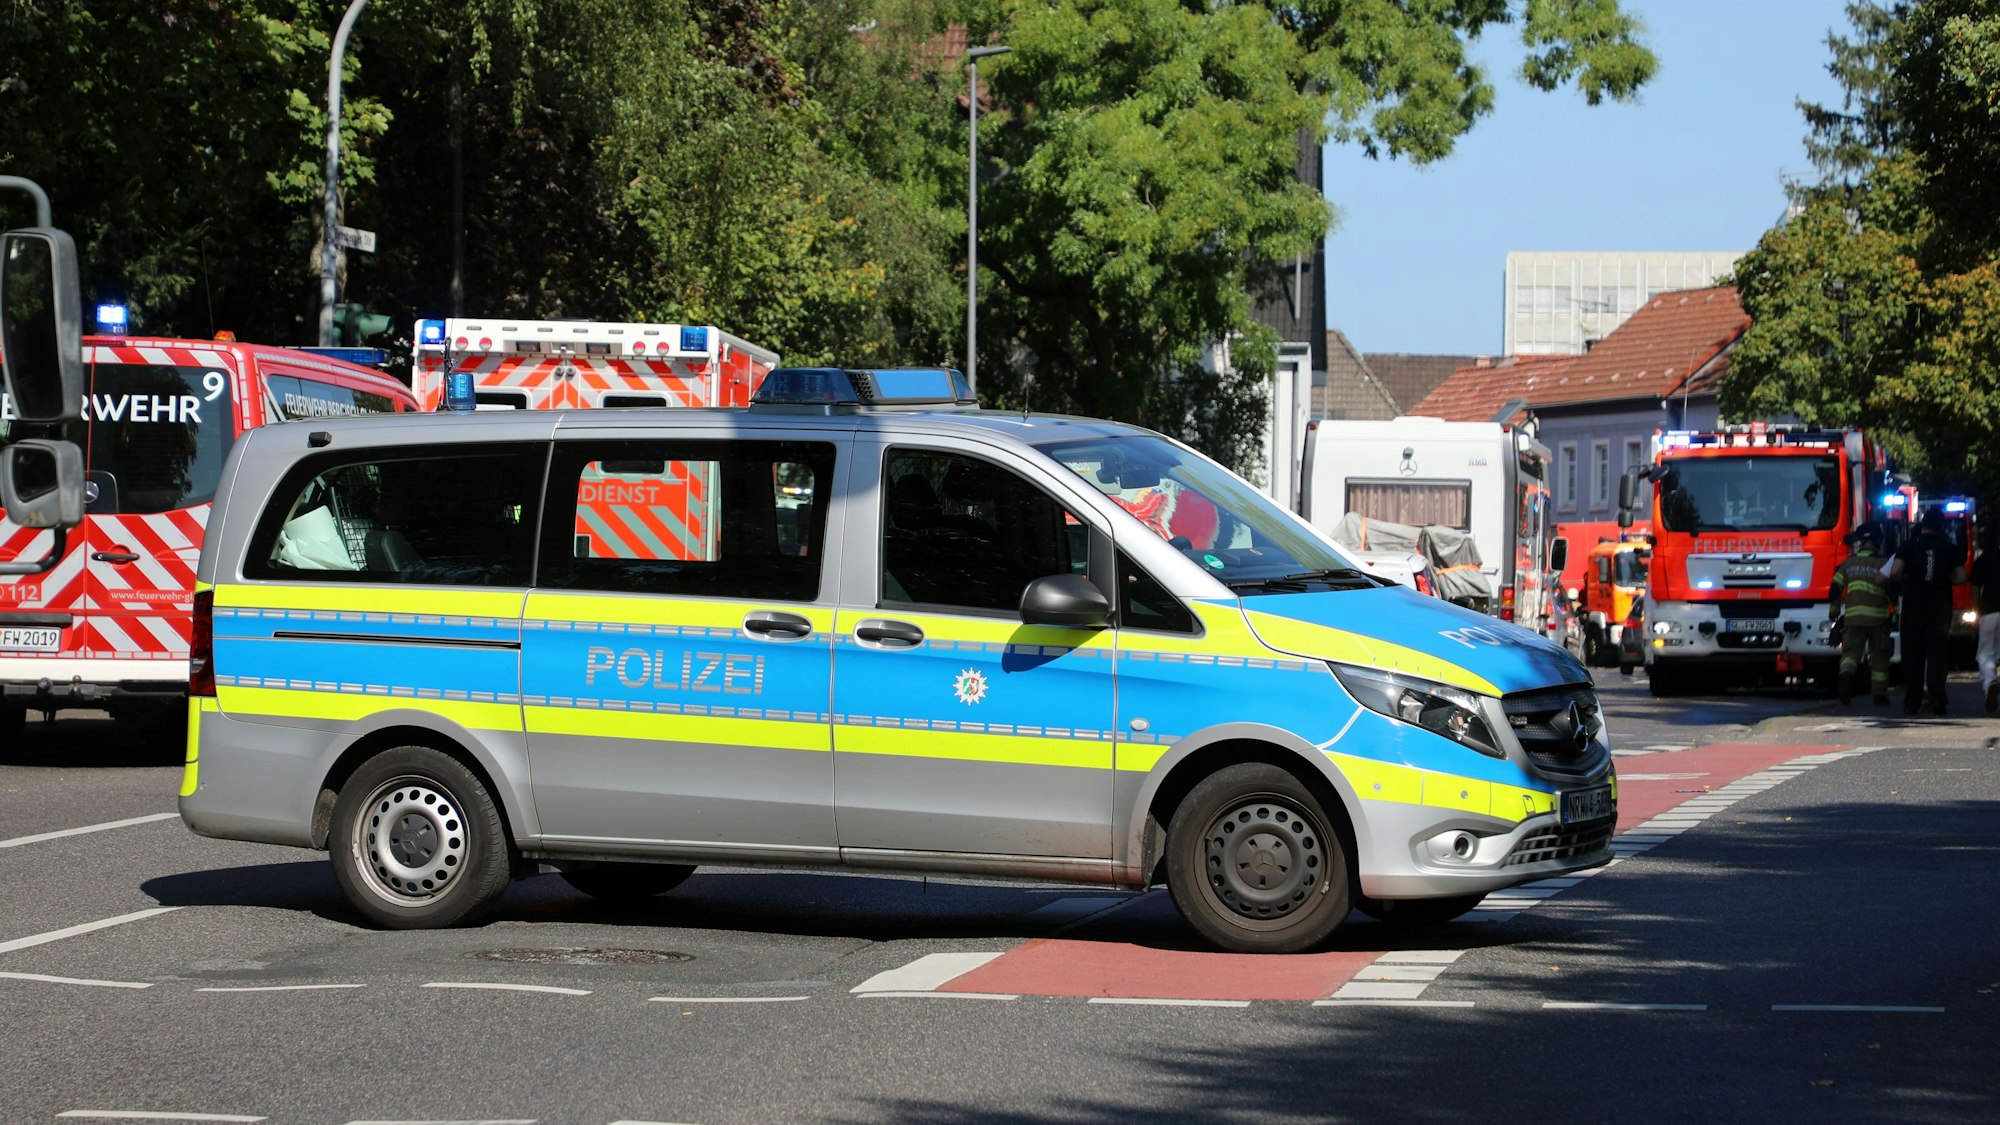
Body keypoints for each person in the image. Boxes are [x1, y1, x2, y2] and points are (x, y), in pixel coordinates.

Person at [1888, 507, 1968, 715]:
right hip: (1940, 608)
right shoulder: (1949, 548)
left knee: (1913, 657)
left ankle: (1911, 702)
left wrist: (1908, 582)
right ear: (1941, 526)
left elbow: (1895, 571)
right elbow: (1961, 577)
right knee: (1937, 657)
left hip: (1913, 607)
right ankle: (1938, 700)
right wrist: (1943, 580)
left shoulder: (1908, 545)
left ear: (1923, 524)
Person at [1829, 524, 1892, 705]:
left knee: (1850, 654)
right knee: (1879, 657)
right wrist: (1895, 615)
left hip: (1853, 618)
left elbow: (1835, 589)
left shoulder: (1849, 563)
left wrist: (1833, 614)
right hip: (1878, 619)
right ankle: (1879, 695)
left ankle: (1846, 676)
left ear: (1861, 542)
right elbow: (1892, 591)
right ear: (1878, 541)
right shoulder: (1883, 563)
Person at [1971, 521, 2000, 712]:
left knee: (1986, 653)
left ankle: (1990, 681)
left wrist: (1976, 612)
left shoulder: (1982, 560)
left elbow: (1975, 588)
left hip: (1989, 610)